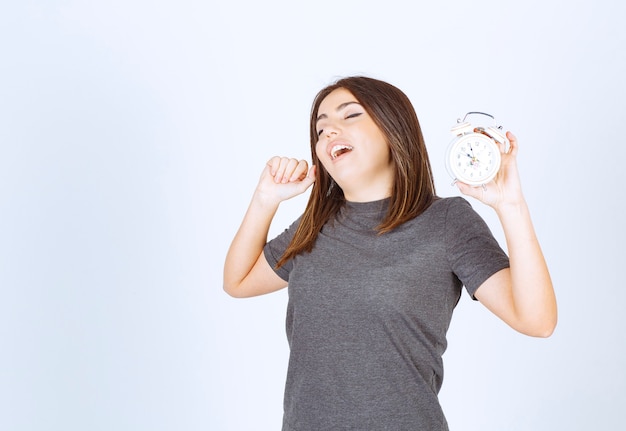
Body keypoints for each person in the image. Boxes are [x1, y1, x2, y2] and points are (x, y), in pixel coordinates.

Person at [223, 76, 557, 430]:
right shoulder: (314, 225)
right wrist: (265, 199)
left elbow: (536, 321)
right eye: (321, 131)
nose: (330, 132)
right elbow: (238, 281)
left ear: (392, 128)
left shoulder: (446, 222)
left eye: (350, 116)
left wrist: (511, 206)